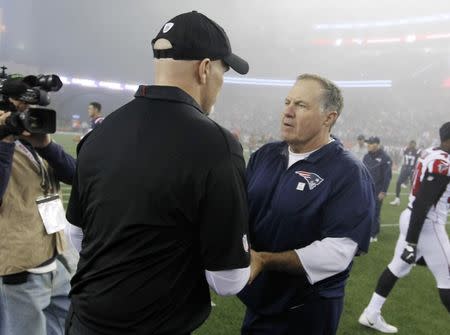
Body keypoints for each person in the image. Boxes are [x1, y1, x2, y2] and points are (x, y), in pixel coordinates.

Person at [65, 11, 253, 335]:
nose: (222, 83)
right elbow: (227, 280)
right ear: (205, 68)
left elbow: (77, 235)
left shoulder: (100, 133)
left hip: (83, 321)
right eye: (223, 72)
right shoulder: (217, 145)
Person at [237, 74, 375, 335]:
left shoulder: (348, 171)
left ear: (329, 118)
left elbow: (338, 252)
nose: (287, 112)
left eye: (301, 105)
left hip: (307, 311)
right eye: (287, 102)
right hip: (260, 300)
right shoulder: (265, 155)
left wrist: (265, 259)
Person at [359, 122, 450, 333]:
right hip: (426, 223)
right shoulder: (442, 162)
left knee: (397, 267)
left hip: (412, 217)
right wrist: (411, 241)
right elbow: (423, 203)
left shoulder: (431, 152)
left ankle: (371, 313)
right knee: (447, 277)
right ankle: (371, 313)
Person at [0, 88, 76, 335]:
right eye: (17, 105)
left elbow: (75, 175)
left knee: (65, 325)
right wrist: (5, 141)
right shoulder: (7, 144)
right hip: (21, 265)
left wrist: (46, 146)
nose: (23, 112)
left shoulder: (29, 140)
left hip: (57, 250)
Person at [363, 136, 393, 242]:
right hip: (366, 188)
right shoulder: (366, 156)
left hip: (378, 190)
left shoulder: (385, 158)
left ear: (377, 144)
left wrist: (383, 191)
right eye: (368, 143)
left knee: (375, 212)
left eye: (370, 143)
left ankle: (374, 234)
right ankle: (367, 230)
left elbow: (387, 176)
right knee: (366, 211)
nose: (368, 145)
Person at [390, 140, 419, 206]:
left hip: (412, 169)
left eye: (413, 144)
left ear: (415, 144)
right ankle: (397, 199)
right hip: (405, 168)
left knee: (413, 186)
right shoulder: (405, 149)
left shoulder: (417, 151)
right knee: (398, 182)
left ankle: (412, 201)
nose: (412, 145)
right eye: (411, 144)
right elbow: (399, 156)